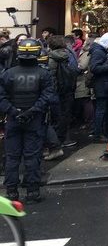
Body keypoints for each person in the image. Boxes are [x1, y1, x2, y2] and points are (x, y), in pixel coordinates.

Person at [0, 39, 55, 202]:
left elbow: (1, 97)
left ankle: (11, 192)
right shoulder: (43, 74)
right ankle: (32, 192)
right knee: (32, 156)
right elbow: (47, 96)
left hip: (13, 119)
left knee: (12, 157)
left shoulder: (8, 73)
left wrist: (13, 111)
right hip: (34, 120)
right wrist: (32, 110)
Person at [89, 32, 108, 142]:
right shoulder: (99, 52)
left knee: (107, 110)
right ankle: (98, 134)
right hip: (102, 85)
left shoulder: (104, 51)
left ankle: (106, 131)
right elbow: (95, 68)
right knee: (101, 110)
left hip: (106, 84)